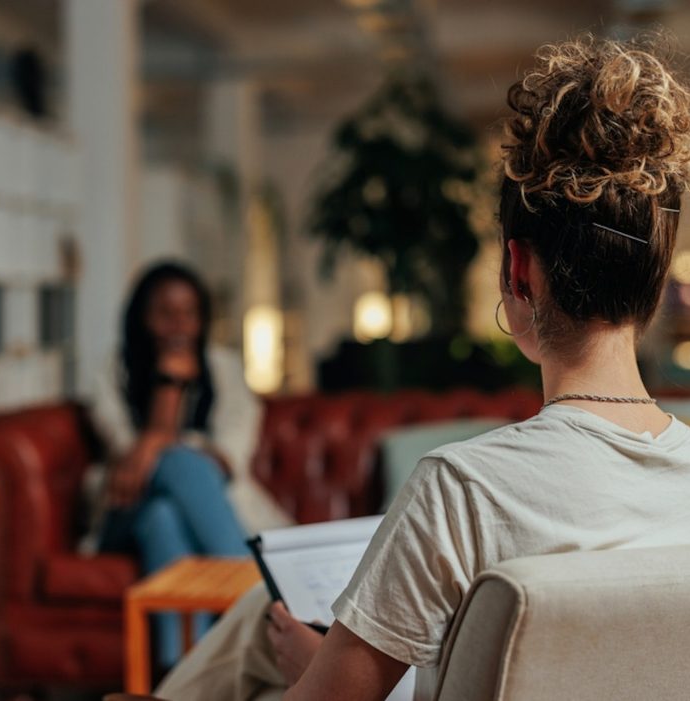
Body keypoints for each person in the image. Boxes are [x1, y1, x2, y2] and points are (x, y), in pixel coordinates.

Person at [148, 34, 690, 701]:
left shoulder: (462, 489)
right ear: (655, 279)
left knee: (264, 644)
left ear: (516, 273)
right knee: (258, 623)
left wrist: (316, 675)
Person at [90, 261, 291, 670]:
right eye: (165, 313)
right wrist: (168, 387)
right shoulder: (113, 372)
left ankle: (182, 676)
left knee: (163, 515)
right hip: (122, 510)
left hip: (171, 511)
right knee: (177, 465)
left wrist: (158, 444)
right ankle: (260, 605)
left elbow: (227, 459)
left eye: (189, 312)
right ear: (141, 318)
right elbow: (132, 465)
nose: (178, 325)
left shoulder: (226, 369)